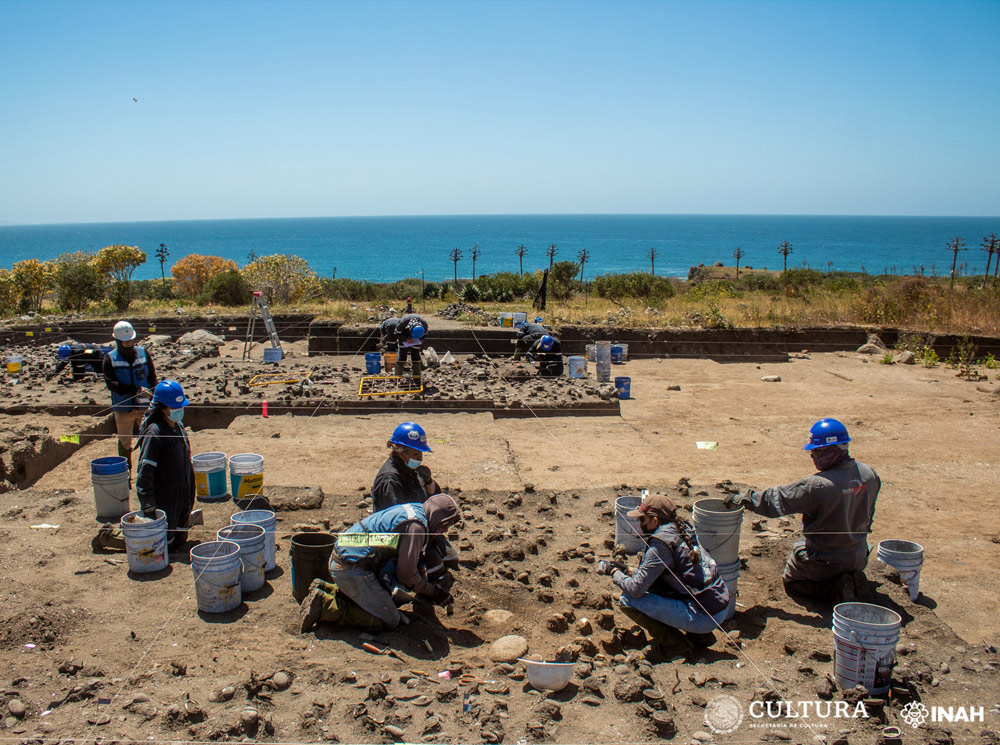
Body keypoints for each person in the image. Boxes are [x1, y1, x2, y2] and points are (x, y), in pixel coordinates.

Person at [725, 418, 880, 602]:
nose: (813, 457)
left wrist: (742, 499)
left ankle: (836, 589)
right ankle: (849, 578)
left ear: (834, 449)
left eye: (817, 452)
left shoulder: (818, 486)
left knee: (792, 580)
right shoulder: (869, 474)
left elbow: (775, 501)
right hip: (859, 555)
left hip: (826, 562)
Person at [299, 494, 461, 632]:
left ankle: (326, 588)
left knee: (388, 597)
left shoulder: (416, 510)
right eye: (444, 525)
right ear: (437, 516)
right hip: (351, 569)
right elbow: (406, 575)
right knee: (390, 619)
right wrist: (433, 592)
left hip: (347, 558)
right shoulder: (416, 527)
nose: (444, 531)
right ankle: (325, 606)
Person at [597, 494, 730, 662]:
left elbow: (636, 589)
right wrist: (628, 570)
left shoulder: (660, 544)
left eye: (642, 519)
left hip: (704, 616)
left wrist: (613, 572)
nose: (640, 523)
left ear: (654, 520)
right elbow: (669, 576)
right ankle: (700, 638)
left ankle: (676, 647)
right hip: (718, 606)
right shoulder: (683, 529)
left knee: (627, 599)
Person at [372, 422, 457, 582]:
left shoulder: (411, 470)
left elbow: (433, 500)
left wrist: (428, 481)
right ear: (401, 452)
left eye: (421, 454)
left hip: (418, 527)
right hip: (396, 539)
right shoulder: (390, 480)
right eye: (416, 454)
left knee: (450, 557)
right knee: (433, 567)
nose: (420, 458)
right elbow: (396, 523)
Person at [135, 380, 195, 553]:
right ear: (162, 407)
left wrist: (191, 491)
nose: (178, 411)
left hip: (182, 496)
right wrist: (149, 507)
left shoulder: (178, 428)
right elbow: (145, 473)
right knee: (161, 547)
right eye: (174, 407)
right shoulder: (154, 433)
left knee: (180, 540)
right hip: (165, 499)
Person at [103, 320, 157, 471]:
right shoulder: (109, 359)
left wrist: (153, 394)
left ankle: (148, 470)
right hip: (123, 408)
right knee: (124, 442)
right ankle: (126, 473)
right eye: (125, 342)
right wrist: (133, 389)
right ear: (118, 341)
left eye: (131, 341)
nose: (129, 344)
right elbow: (111, 384)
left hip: (144, 406)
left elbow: (152, 376)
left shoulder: (143, 353)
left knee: (148, 438)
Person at [383, 313, 428, 384]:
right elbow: (396, 333)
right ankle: (398, 376)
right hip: (404, 334)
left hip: (417, 338)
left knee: (416, 355)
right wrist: (405, 339)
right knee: (402, 355)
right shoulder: (403, 323)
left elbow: (424, 336)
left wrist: (418, 340)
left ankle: (417, 377)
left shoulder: (424, 325)